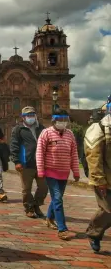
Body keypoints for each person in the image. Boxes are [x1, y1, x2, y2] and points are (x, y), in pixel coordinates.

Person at [36, 109, 80, 240]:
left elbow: (74, 154)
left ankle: (49, 218)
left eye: (65, 120)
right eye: (60, 120)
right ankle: (62, 228)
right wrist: (41, 170)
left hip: (64, 172)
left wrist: (76, 172)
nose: (62, 123)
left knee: (57, 197)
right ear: (54, 120)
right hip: (50, 171)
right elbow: (40, 152)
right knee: (58, 199)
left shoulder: (70, 134)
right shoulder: (46, 133)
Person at [84, 95, 111, 252]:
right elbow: (93, 157)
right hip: (105, 179)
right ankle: (94, 234)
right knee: (108, 211)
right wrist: (99, 180)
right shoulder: (98, 128)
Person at [10, 106, 47, 218]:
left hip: (41, 163)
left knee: (44, 187)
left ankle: (36, 204)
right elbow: (14, 145)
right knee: (26, 189)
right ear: (23, 117)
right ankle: (28, 208)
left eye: (32, 114)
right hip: (26, 163)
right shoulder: (18, 129)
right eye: (28, 115)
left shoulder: (42, 128)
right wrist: (16, 161)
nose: (30, 117)